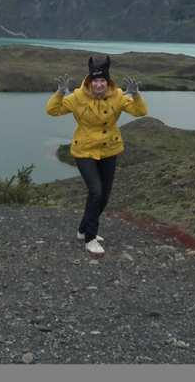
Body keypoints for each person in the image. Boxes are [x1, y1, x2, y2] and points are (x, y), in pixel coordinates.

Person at [46, 56, 147, 255]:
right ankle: (91, 238)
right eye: (95, 81)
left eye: (102, 81)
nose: (99, 84)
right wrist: (59, 94)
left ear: (108, 82)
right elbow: (52, 111)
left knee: (105, 196)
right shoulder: (77, 98)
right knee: (96, 192)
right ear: (89, 81)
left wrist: (136, 95)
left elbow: (140, 112)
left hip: (110, 150)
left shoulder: (117, 96)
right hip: (84, 150)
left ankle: (83, 230)